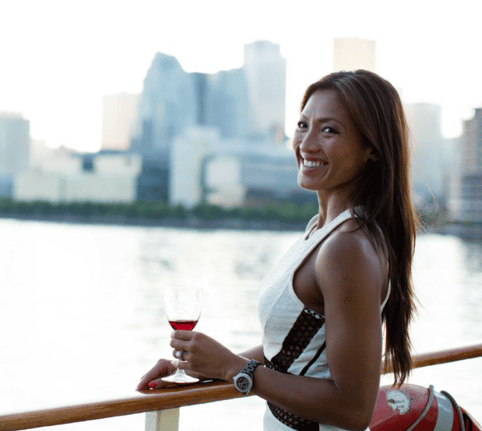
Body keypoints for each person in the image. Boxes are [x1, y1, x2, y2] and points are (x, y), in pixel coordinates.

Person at [137, 70, 417, 431]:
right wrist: (199, 367)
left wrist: (232, 367)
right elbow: (290, 353)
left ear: (371, 149)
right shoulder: (322, 231)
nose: (307, 143)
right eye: (303, 125)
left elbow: (354, 407)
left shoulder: (347, 247)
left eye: (329, 130)